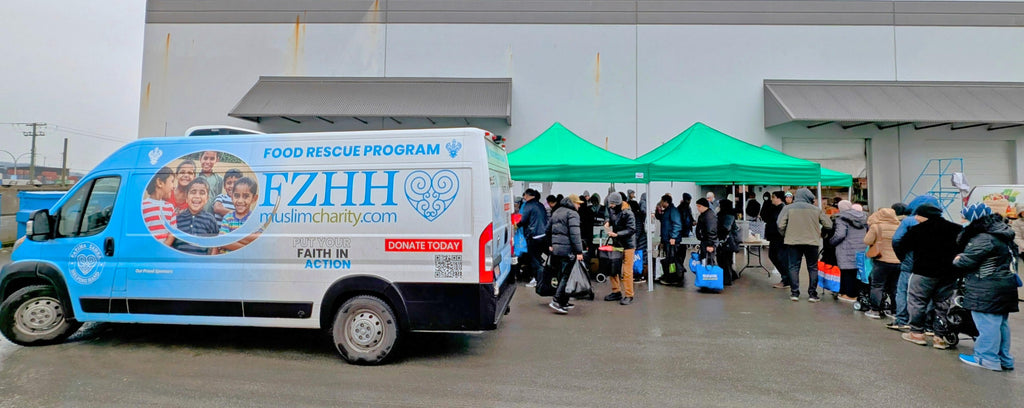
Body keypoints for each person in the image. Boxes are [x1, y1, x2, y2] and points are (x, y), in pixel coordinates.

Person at [953, 203, 1018, 371]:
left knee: (987, 324)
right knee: (1000, 324)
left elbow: (967, 261)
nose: (962, 221)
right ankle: (1004, 359)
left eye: (964, 218)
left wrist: (959, 258)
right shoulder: (1002, 234)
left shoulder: (983, 237)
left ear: (974, 218)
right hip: (1004, 285)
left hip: (986, 287)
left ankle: (986, 358)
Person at [894, 202, 962, 349]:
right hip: (948, 273)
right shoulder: (956, 229)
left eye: (917, 215)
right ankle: (940, 336)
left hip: (923, 272)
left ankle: (917, 333)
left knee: (917, 301)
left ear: (923, 215)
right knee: (943, 304)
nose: (916, 218)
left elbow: (901, 245)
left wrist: (903, 259)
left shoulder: (917, 230)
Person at [889, 195, 940, 331]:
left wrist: (902, 256)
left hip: (910, 262)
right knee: (928, 294)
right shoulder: (941, 222)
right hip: (931, 264)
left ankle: (903, 320)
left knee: (903, 291)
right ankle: (927, 324)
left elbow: (896, 240)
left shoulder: (909, 221)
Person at [778, 188, 833, 302]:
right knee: (812, 267)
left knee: (793, 266)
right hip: (811, 242)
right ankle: (812, 294)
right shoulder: (816, 209)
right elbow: (829, 225)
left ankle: (794, 293)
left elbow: (780, 225)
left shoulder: (788, 208)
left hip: (793, 241)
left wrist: (786, 235)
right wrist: (822, 234)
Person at [547, 195, 586, 314]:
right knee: (567, 276)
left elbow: (547, 230)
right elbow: (575, 235)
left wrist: (551, 244)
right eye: (578, 203)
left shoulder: (557, 212)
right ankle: (557, 301)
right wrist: (579, 251)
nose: (579, 205)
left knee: (561, 275)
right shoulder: (572, 214)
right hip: (568, 250)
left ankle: (564, 301)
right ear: (573, 203)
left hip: (557, 251)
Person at [862, 207, 902, 319]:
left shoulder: (876, 226)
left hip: (881, 260)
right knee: (895, 287)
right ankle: (895, 311)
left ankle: (875, 310)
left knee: (877, 286)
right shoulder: (899, 226)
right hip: (897, 261)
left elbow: (867, 241)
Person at [829, 200, 868, 302]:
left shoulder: (841, 218)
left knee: (847, 271)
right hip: (862, 247)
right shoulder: (863, 217)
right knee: (857, 271)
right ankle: (857, 293)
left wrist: (832, 242)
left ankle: (849, 295)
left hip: (847, 247)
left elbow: (840, 234)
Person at [603, 192, 636, 305]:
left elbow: (631, 229)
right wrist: (607, 222)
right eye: (610, 204)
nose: (610, 206)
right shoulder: (613, 210)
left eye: (612, 204)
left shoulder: (628, 213)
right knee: (613, 268)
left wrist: (617, 234)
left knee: (627, 271)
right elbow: (609, 216)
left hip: (628, 245)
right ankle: (616, 291)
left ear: (618, 203)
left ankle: (629, 295)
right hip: (617, 243)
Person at [173, 178, 219, 255]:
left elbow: (215, 245)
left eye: (202, 193)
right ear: (186, 198)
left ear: (207, 198)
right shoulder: (177, 219)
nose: (197, 196)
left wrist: (210, 262)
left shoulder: (210, 219)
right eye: (193, 192)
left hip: (201, 265)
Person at [519, 189, 548, 288]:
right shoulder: (540, 205)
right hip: (543, 235)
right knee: (538, 258)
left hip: (533, 235)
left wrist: (516, 225)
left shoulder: (528, 205)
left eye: (524, 195)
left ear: (527, 195)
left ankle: (538, 281)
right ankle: (540, 279)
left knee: (534, 259)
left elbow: (523, 220)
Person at [142, 166, 177, 247]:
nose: (173, 186)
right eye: (172, 181)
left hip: (163, 252)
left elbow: (172, 233)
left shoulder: (170, 207)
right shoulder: (143, 206)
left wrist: (162, 248)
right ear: (160, 183)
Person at [761, 191, 789, 289]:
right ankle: (786, 278)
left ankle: (786, 279)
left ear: (778, 198)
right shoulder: (775, 208)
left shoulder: (782, 208)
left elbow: (778, 222)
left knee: (779, 257)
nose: (772, 199)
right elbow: (764, 216)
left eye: (773, 197)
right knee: (773, 255)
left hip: (779, 237)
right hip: (774, 236)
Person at [655, 194, 683, 285]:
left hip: (672, 240)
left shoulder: (673, 211)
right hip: (667, 239)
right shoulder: (667, 211)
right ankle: (670, 276)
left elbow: (677, 224)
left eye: (662, 201)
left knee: (672, 260)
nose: (661, 203)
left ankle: (673, 277)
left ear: (666, 202)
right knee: (669, 259)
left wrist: (673, 237)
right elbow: (660, 219)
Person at [694, 197, 718, 288]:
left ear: (704, 206)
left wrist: (711, 244)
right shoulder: (705, 215)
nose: (698, 208)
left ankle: (710, 282)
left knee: (708, 261)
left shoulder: (709, 216)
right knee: (705, 261)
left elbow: (711, 231)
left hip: (708, 242)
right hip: (705, 241)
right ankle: (706, 282)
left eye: (699, 206)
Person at [717, 199, 739, 286]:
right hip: (728, 241)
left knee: (724, 260)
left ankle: (727, 279)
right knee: (727, 260)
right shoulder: (730, 214)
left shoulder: (728, 215)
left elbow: (726, 228)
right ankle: (732, 276)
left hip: (726, 241)